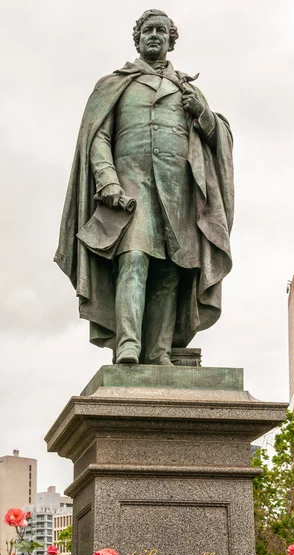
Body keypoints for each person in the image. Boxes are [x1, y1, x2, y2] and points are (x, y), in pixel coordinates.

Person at [54, 9, 234, 365]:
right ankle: (129, 345)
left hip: (178, 188)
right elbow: (98, 137)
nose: (155, 35)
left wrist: (204, 114)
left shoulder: (189, 91)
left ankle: (160, 351)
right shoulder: (115, 84)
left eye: (162, 31)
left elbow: (220, 141)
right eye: (148, 30)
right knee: (133, 258)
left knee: (170, 268)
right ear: (137, 38)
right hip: (131, 186)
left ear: (171, 40)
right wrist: (106, 178)